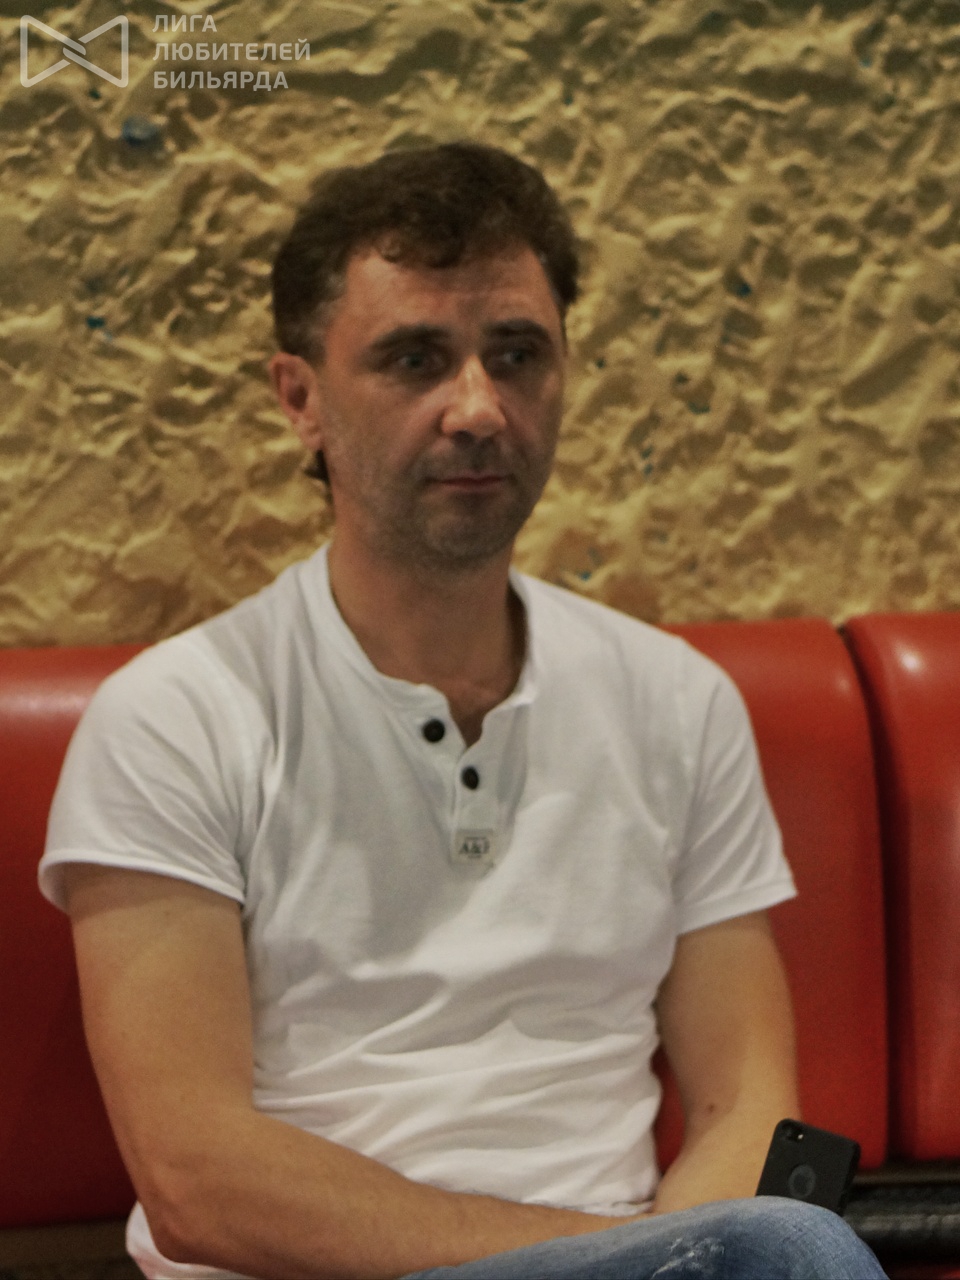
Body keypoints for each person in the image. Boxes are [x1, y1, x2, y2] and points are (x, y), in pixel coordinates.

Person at [39, 143, 886, 1280]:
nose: (479, 407)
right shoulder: (175, 719)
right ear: (301, 398)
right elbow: (198, 1180)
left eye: (518, 354)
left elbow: (747, 1105)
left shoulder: (676, 701)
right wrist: (638, 1260)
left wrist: (666, 1260)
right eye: (416, 359)